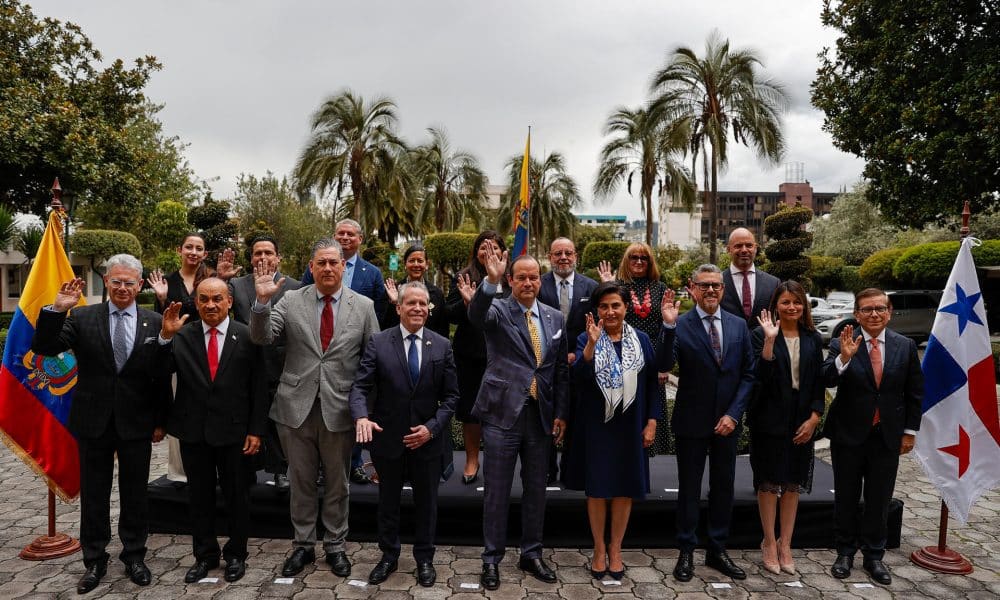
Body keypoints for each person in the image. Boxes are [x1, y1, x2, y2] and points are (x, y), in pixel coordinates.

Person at [31, 254, 170, 594]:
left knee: (136, 493)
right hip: (93, 421)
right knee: (95, 494)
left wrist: (161, 420)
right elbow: (44, 347)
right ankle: (94, 559)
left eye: (130, 283)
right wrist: (57, 309)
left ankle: (135, 555)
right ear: (107, 282)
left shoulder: (154, 321)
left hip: (137, 421)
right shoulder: (81, 316)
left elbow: (160, 375)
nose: (123, 288)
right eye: (117, 281)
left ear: (140, 286)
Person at [249, 238, 380, 579]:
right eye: (320, 263)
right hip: (295, 409)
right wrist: (262, 303)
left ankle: (336, 546)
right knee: (302, 482)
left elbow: (372, 363)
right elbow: (263, 337)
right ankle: (303, 544)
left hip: (340, 410)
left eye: (333, 263)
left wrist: (364, 409)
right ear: (311, 267)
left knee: (338, 484)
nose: (326, 268)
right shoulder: (291, 300)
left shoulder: (363, 306)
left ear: (342, 266)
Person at [463, 247, 568, 591]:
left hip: (540, 417)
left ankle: (531, 553)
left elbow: (560, 371)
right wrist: (489, 282)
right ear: (510, 280)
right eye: (520, 277)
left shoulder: (555, 318)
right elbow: (476, 316)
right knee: (496, 491)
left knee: (537, 489)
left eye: (533, 277)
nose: (527, 282)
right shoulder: (497, 309)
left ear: (541, 280)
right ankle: (491, 559)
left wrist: (561, 414)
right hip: (501, 415)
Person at [349, 282, 459, 587]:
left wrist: (432, 428)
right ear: (399, 307)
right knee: (388, 503)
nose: (418, 309)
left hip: (427, 441)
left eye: (423, 304)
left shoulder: (441, 345)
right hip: (388, 440)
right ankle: (388, 556)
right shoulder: (379, 342)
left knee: (427, 504)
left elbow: (451, 397)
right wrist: (361, 415)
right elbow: (360, 386)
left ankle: (424, 558)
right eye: (411, 303)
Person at [158, 278, 267, 584]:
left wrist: (256, 430)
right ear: (197, 302)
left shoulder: (247, 335)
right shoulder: (183, 334)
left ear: (229, 301)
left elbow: (259, 388)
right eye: (203, 299)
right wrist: (165, 337)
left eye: (217, 299)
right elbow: (160, 369)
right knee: (200, 499)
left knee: (237, 498)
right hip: (194, 432)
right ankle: (205, 555)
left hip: (235, 433)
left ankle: (236, 555)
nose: (210, 305)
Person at [658, 264, 755, 582]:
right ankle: (686, 551)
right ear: (692, 288)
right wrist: (668, 327)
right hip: (692, 420)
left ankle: (717, 549)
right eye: (704, 285)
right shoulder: (680, 324)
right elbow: (663, 365)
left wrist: (733, 414)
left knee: (723, 487)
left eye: (716, 285)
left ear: (723, 289)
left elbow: (748, 374)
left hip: (728, 422)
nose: (711, 290)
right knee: (689, 488)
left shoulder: (739, 326)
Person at [822, 288, 922, 585]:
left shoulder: (905, 346)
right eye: (867, 309)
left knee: (879, 499)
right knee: (847, 497)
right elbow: (826, 377)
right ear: (857, 314)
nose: (874, 314)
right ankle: (844, 552)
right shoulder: (844, 341)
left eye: (880, 308)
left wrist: (910, 432)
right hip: (848, 435)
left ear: (889, 312)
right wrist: (843, 358)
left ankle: (874, 556)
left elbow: (914, 393)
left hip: (887, 437)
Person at [565, 282, 660, 580]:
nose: (610, 312)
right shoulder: (585, 338)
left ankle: (616, 549)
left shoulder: (641, 339)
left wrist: (652, 422)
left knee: (624, 489)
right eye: (604, 306)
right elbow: (578, 378)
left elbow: (652, 384)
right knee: (597, 490)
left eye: (615, 305)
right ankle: (598, 549)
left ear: (625, 308)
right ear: (597, 310)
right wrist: (592, 345)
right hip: (596, 426)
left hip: (631, 426)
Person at [302, 219, 387, 484]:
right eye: (341, 233)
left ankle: (354, 464)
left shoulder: (372, 273)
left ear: (360, 239)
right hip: (321, 350)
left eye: (351, 234)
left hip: (356, 352)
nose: (346, 237)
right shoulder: (317, 267)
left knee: (356, 410)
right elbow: (305, 297)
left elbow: (379, 311)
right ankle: (320, 468)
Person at [749, 281, 825, 576]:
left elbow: (819, 381)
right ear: (775, 305)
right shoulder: (760, 334)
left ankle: (786, 544)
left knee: (792, 483)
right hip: (769, 419)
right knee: (769, 483)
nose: (792, 307)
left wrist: (815, 417)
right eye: (785, 302)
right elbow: (759, 379)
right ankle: (768, 541)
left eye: (797, 302)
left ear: (804, 306)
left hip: (802, 419)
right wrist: (769, 341)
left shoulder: (812, 338)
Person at [228, 236, 302, 491]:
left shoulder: (294, 286)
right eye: (257, 253)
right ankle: (246, 468)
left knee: (278, 419)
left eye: (268, 252)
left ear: (278, 257)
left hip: (280, 362)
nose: (262, 257)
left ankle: (281, 469)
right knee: (247, 415)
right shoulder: (236, 285)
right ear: (250, 258)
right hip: (243, 361)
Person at [149, 232, 213, 485]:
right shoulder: (166, 281)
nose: (193, 252)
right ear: (180, 250)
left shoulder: (209, 280)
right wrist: (161, 299)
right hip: (177, 355)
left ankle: (210, 466)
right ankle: (179, 469)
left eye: (199, 248)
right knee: (180, 409)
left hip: (208, 354)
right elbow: (160, 322)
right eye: (189, 247)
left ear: (204, 254)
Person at [447, 230, 508, 485]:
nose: (488, 252)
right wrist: (466, 303)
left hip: (502, 354)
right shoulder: (464, 276)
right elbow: (448, 314)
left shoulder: (509, 276)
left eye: (493, 247)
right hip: (470, 355)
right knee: (471, 411)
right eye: (483, 247)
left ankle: (496, 462)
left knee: (499, 413)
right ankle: (472, 460)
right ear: (476, 252)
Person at [598, 242, 671, 454]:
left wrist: (663, 365)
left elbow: (666, 328)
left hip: (651, 363)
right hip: (618, 361)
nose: (639, 262)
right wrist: (606, 286)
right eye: (634, 257)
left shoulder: (661, 288)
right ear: (626, 261)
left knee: (647, 418)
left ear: (650, 262)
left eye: (644, 258)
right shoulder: (617, 287)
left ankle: (640, 475)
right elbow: (601, 321)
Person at [538, 237, 598, 485]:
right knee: (546, 419)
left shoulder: (591, 287)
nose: (563, 258)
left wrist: (578, 351)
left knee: (575, 417)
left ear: (576, 256)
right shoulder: (538, 285)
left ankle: (572, 471)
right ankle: (547, 470)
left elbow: (596, 325)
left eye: (568, 253)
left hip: (580, 364)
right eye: (557, 253)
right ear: (550, 257)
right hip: (545, 366)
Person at [381, 244, 449, 338]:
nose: (416, 264)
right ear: (405, 264)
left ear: (426, 265)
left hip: (429, 347)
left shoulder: (437, 294)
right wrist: (396, 303)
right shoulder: (392, 291)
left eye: (420, 261)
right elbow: (385, 326)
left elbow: (443, 329)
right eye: (412, 261)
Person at [721, 228, 780, 328]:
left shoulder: (773, 283)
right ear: (728, 249)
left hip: (763, 342)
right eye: (738, 246)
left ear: (755, 248)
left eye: (749, 245)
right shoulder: (717, 283)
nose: (744, 250)